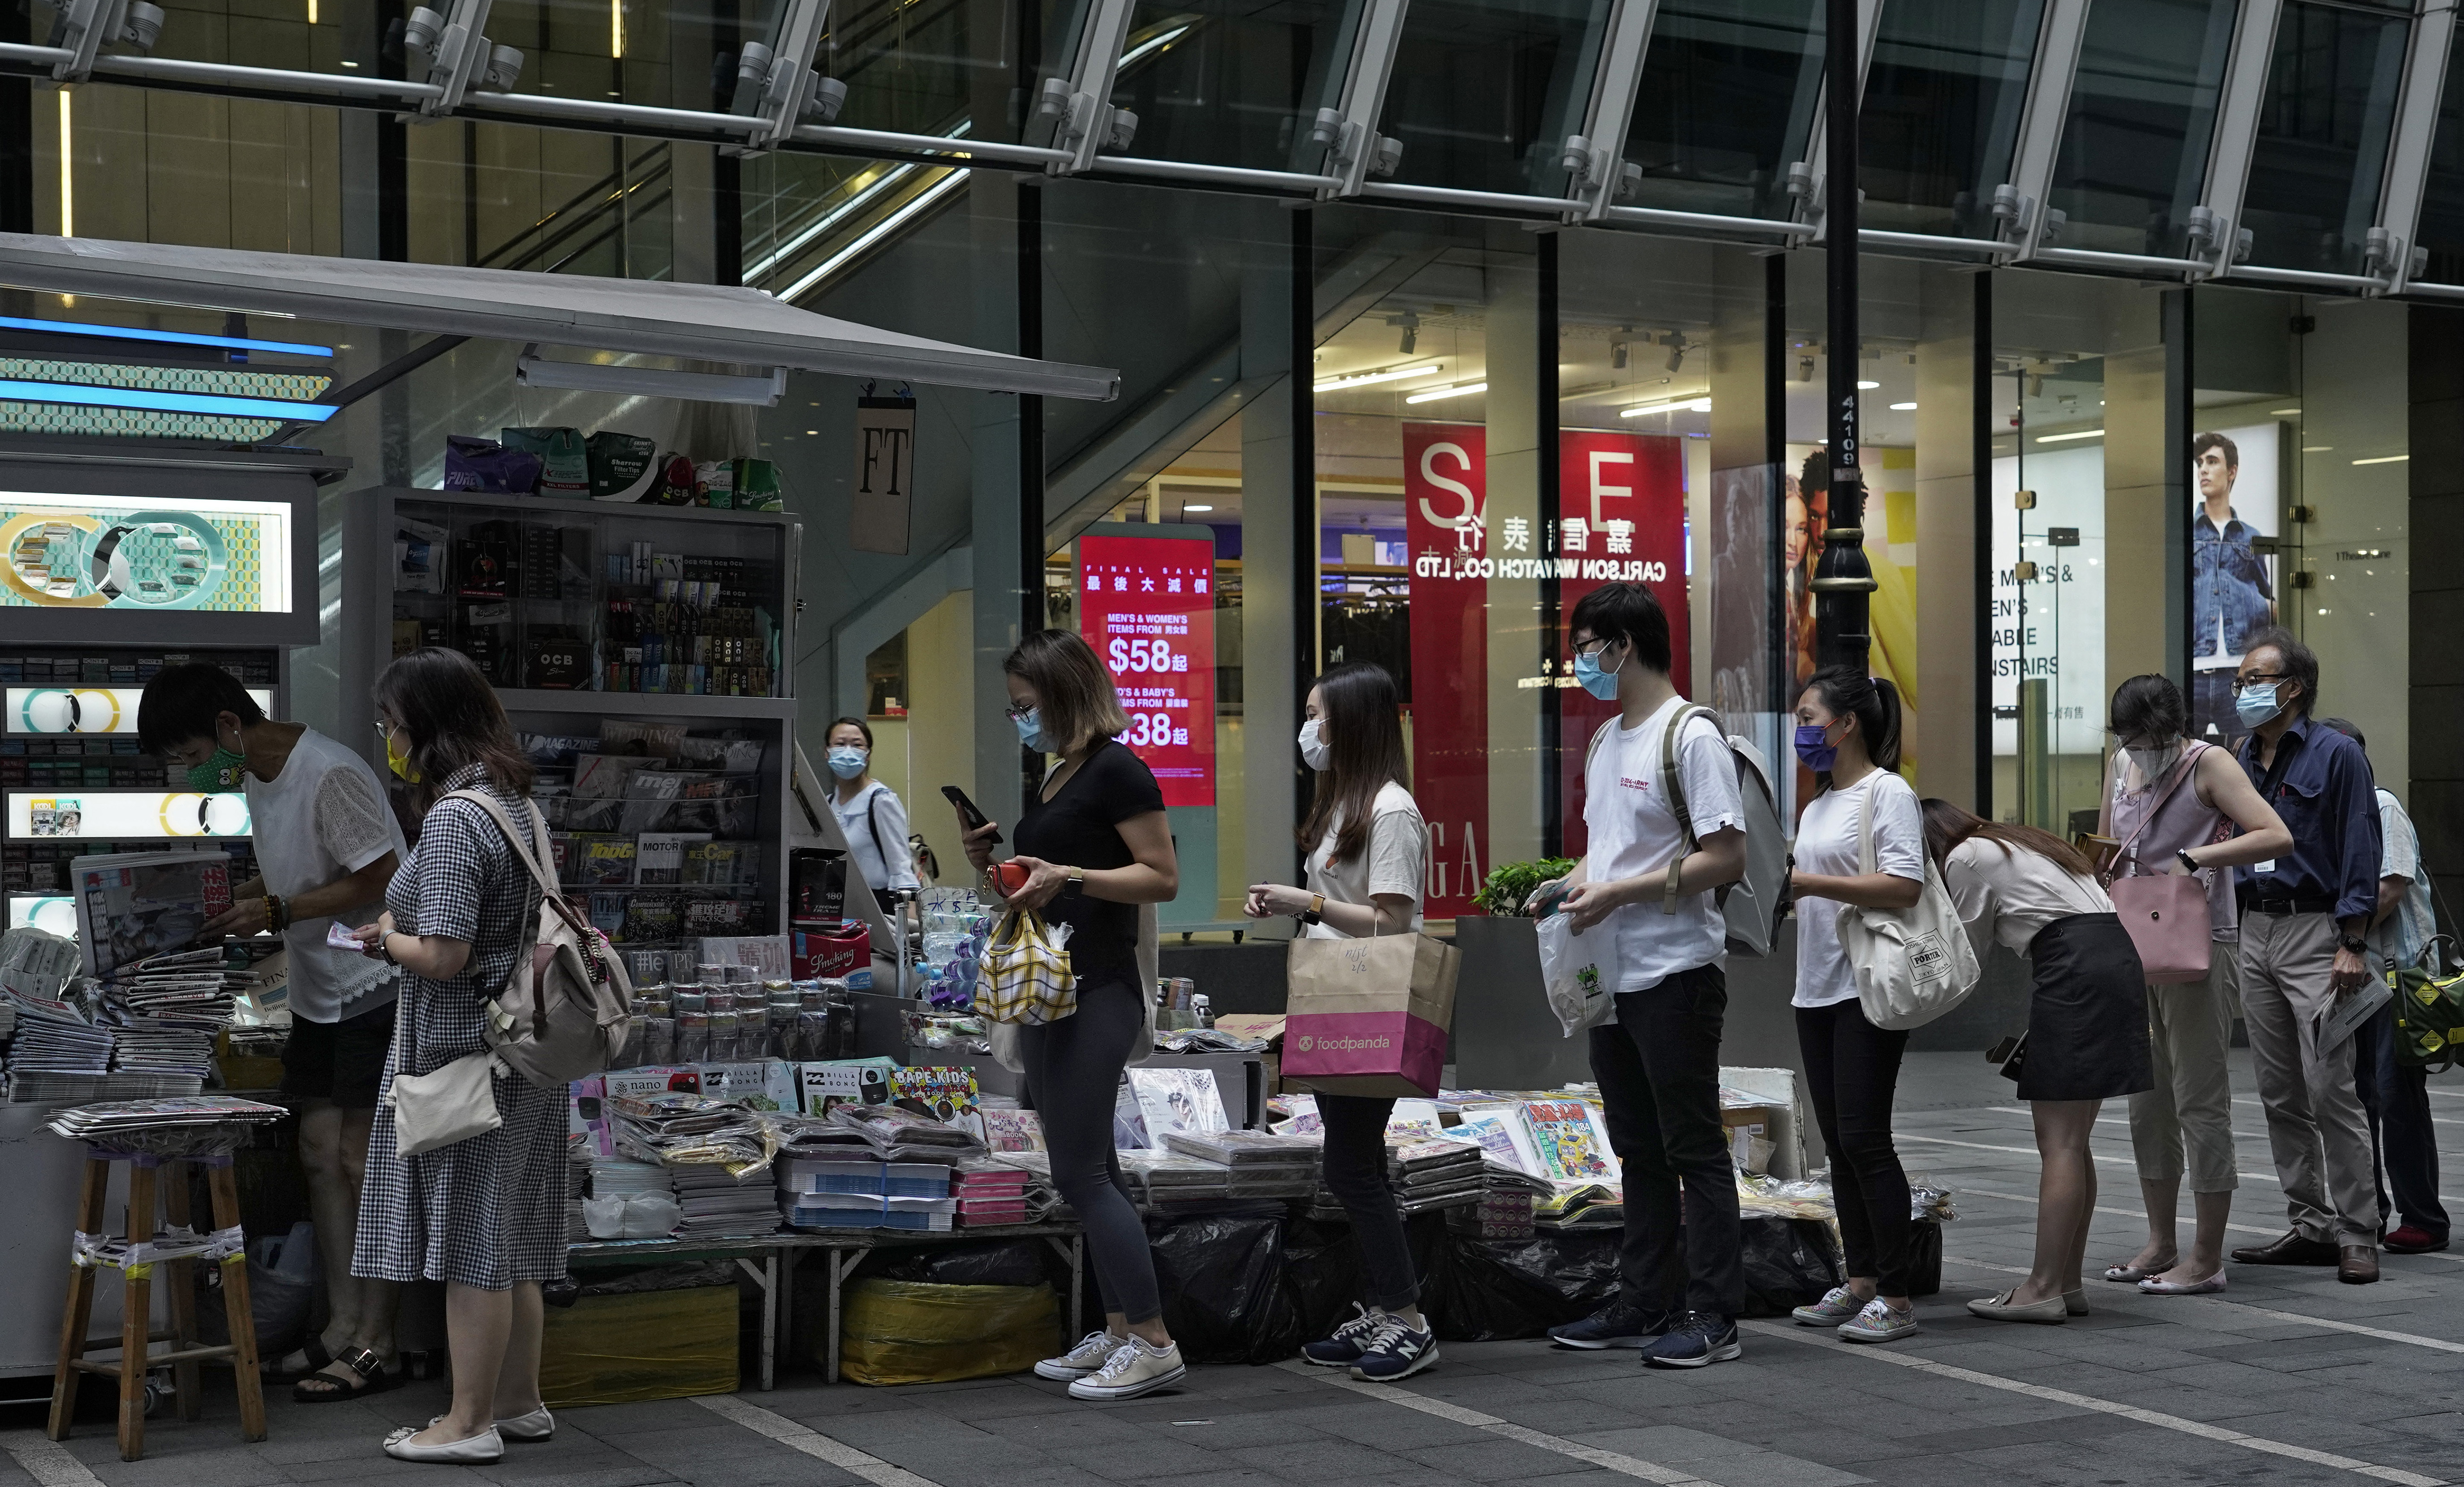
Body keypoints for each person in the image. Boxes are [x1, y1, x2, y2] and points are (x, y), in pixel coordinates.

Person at [138, 664, 409, 1403]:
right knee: (319, 1155)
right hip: (321, 993)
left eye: (195, 756)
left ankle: (379, 1342)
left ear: (230, 726)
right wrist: (249, 902)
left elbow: (382, 876)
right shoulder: (258, 777)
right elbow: (304, 875)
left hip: (375, 983)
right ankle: (341, 1326)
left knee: (359, 1161)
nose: (196, 773)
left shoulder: (329, 773)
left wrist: (280, 912)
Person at [347, 649, 565, 1463]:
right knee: (512, 1240)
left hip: (464, 1060)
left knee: (474, 1240)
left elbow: (442, 953)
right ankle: (518, 1402)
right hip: (527, 1053)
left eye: (392, 725)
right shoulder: (517, 806)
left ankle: (466, 1423)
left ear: (425, 728)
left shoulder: (453, 818)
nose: (388, 740)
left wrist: (388, 937)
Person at [1526, 584, 1749, 1369]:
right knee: (1637, 1148)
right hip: (1612, 977)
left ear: (1622, 644)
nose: (1579, 660)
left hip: (1677, 972)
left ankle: (1715, 1315)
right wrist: (1571, 885)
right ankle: (1645, 1300)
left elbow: (1728, 858)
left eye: (1586, 645)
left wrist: (1618, 891)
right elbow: (1609, 851)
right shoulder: (1607, 741)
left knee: (1692, 1147)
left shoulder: (1689, 736)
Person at [963, 630, 1185, 1402]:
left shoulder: (1120, 769)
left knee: (1081, 1171)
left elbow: (1162, 878)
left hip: (1099, 989)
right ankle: (1122, 1329)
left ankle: (1154, 1341)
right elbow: (1047, 887)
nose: (1019, 719)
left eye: (1026, 706)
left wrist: (1073, 873)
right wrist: (992, 866)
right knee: (1092, 1166)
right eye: (1013, 708)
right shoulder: (1062, 777)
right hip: (1052, 989)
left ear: (1063, 695)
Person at [1242, 662, 1438, 1380]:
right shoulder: (1345, 805)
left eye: (1318, 714)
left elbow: (1392, 921)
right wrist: (1298, 902)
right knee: (1350, 1165)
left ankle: (1408, 1319)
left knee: (1355, 1168)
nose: (1309, 729)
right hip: (1336, 999)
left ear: (1352, 722)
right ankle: (1389, 1309)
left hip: (1367, 1002)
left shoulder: (1390, 810)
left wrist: (1308, 903)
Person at [2097, 675, 2290, 1296]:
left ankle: (2207, 1258)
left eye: (2150, 739)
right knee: (2146, 1100)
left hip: (2199, 944)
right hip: (2135, 943)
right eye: (2129, 738)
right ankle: (2161, 1242)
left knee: (2200, 1100)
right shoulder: (2121, 760)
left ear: (2174, 730)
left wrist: (2198, 858)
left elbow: (2276, 834)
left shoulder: (2210, 765)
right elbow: (2110, 843)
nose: (2139, 750)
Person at [1926, 799, 2151, 1323]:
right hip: (2112, 956)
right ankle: (2066, 1281)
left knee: (2061, 1144)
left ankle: (2043, 1286)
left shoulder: (1963, 857)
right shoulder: (2020, 840)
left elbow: (1965, 950)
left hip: (2072, 967)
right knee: (2075, 1140)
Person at [2227, 629, 2385, 1284]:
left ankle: (2358, 1232)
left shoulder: (2337, 755)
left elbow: (2360, 849)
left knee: (2330, 1088)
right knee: (2278, 1090)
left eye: (2255, 680)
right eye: (2240, 682)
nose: (2244, 691)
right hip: (2254, 929)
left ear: (2292, 687)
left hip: (2318, 932)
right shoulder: (2240, 754)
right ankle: (2311, 1224)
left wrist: (2353, 941)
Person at [1783, 667, 1928, 1344]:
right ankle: (1861, 1281)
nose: (1801, 730)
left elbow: (1903, 884)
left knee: (1867, 1140)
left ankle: (1896, 1298)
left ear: (1847, 724)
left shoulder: (1886, 792)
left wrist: (1805, 880)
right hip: (1815, 986)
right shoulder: (1817, 804)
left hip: (1865, 985)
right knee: (1840, 1145)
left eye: (1810, 717)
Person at [2318, 718, 2449, 1255]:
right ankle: (2369, 1213)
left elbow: (2390, 888)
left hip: (2394, 975)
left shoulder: (2382, 806)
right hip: (2355, 978)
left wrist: (2343, 940)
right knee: (2358, 1097)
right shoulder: (2334, 816)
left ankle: (2423, 1216)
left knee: (2398, 1097)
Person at [2190, 432, 2275, 743]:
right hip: (2192, 670)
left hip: (2238, 672)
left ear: (2232, 471)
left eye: (2212, 462)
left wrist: (2251, 602)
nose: (2203, 470)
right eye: (2200, 463)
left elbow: (2271, 604)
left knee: (2248, 757)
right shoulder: (2185, 532)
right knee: (2181, 763)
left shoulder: (2250, 536)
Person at [823, 716, 919, 912]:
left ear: (867, 755)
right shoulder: (829, 802)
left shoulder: (881, 800)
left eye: (857, 745)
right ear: (827, 752)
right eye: (840, 744)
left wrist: (908, 923)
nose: (848, 751)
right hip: (836, 904)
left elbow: (900, 864)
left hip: (878, 905)